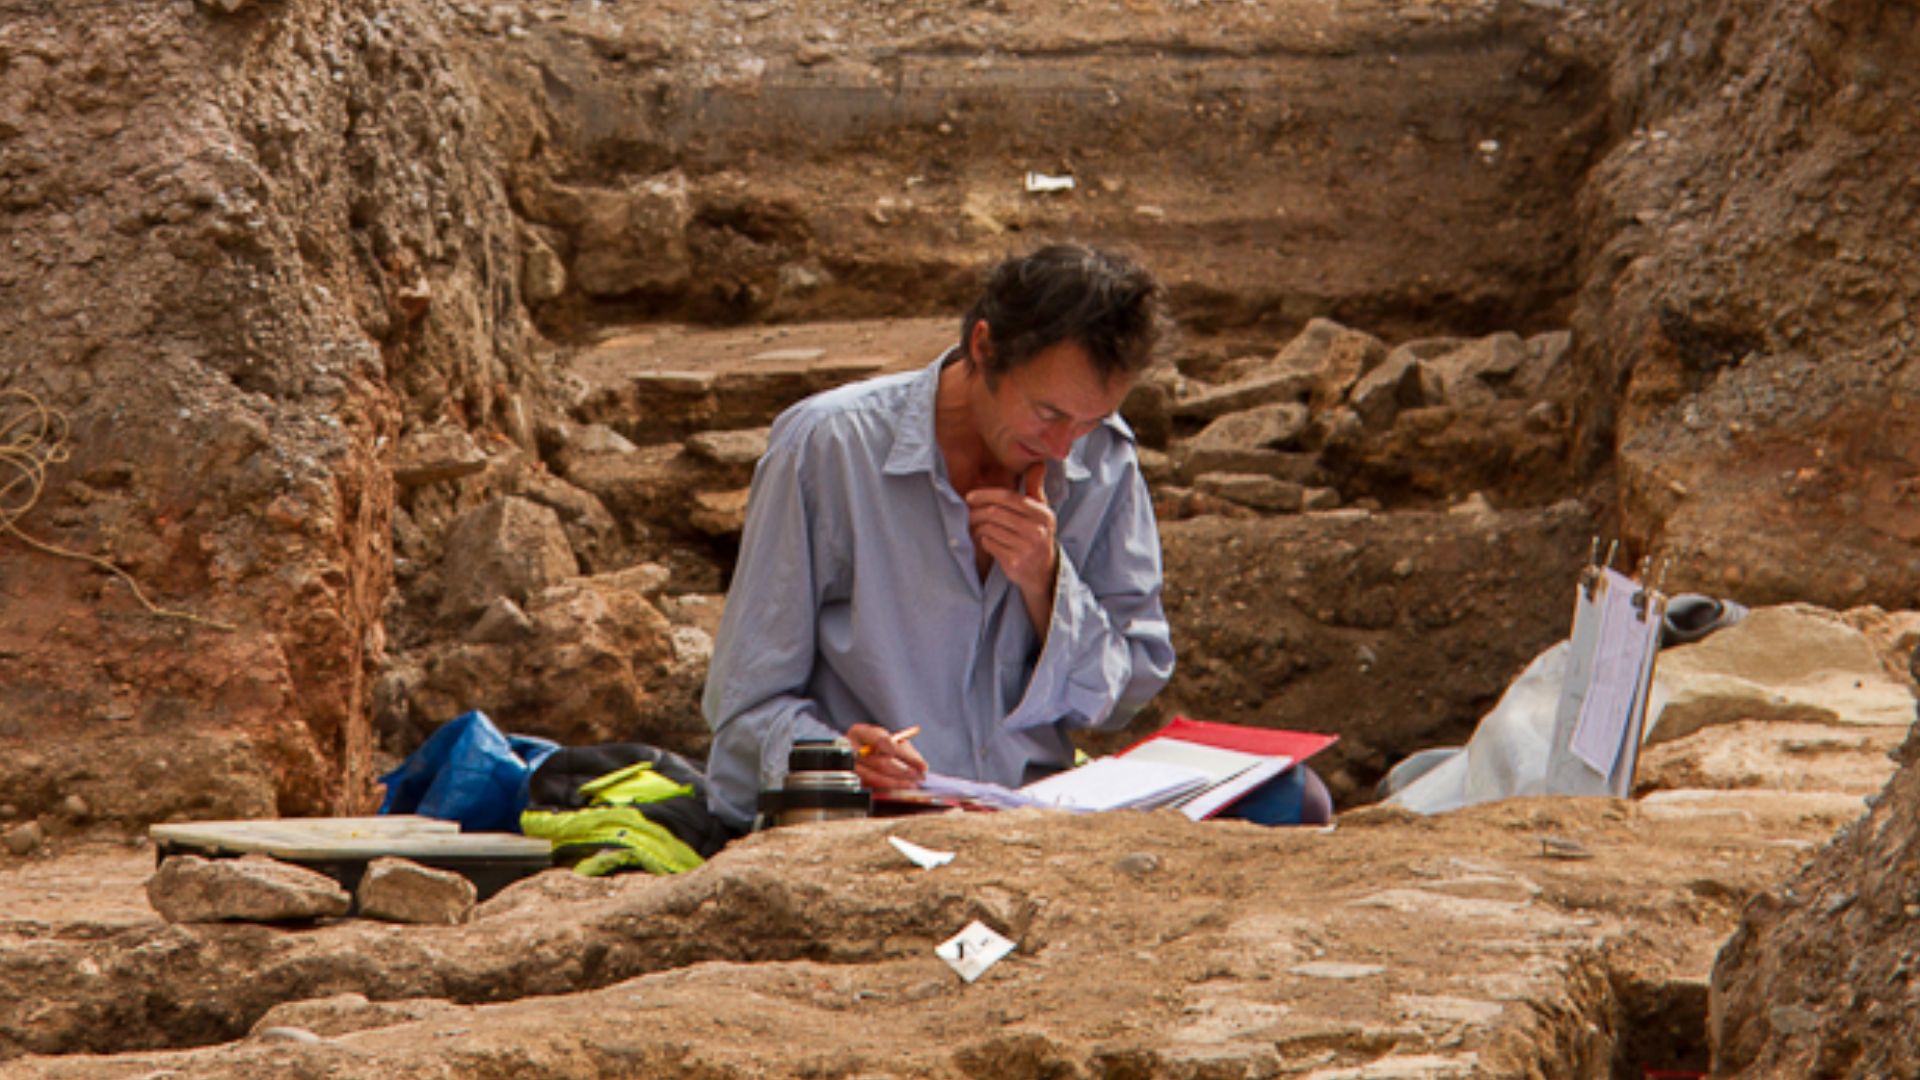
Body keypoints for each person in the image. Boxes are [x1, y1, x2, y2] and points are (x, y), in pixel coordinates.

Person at [700, 243, 1177, 830]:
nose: (1063, 449)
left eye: (1090, 420)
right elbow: (747, 708)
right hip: (870, 833)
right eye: (1048, 413)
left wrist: (1048, 583)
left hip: (1035, 829)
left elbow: (1129, 689)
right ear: (985, 348)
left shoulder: (1105, 459)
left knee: (1296, 797)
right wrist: (837, 760)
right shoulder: (826, 449)